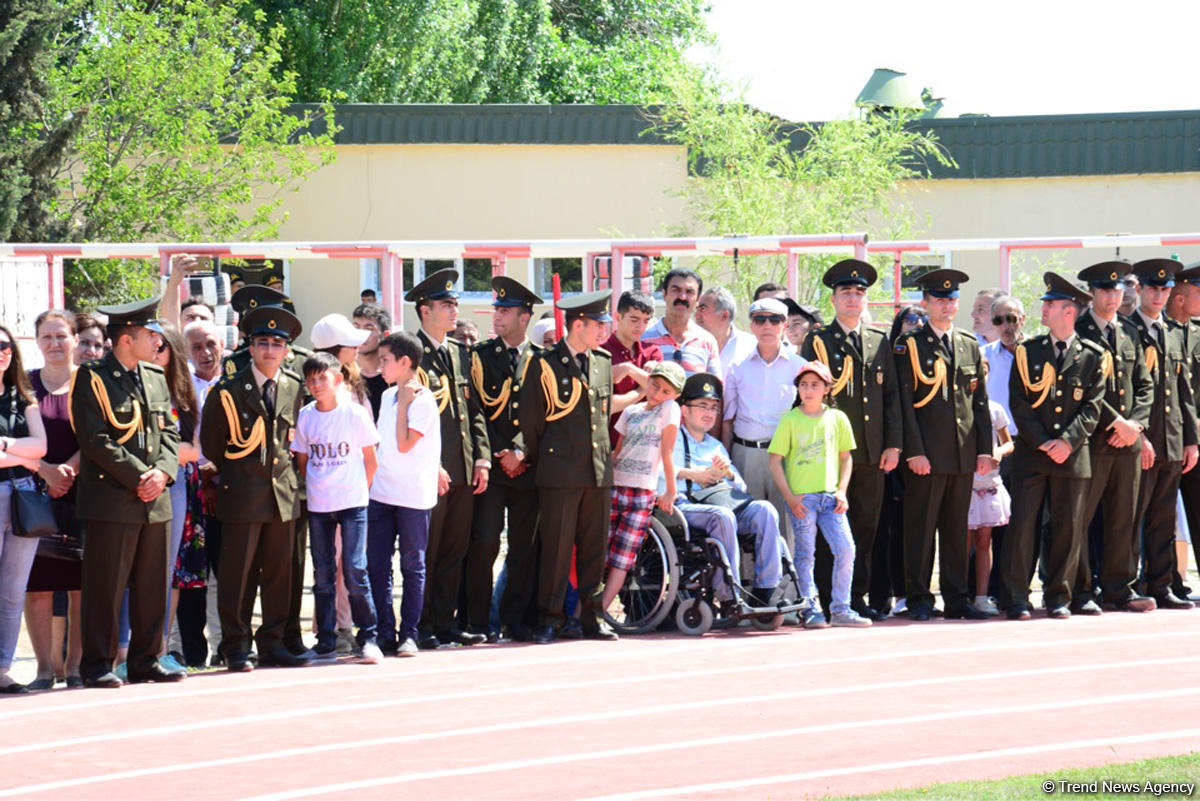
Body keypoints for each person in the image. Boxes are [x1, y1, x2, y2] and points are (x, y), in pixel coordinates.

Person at [70, 297, 181, 687]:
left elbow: (169, 431)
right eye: (151, 335)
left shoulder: (153, 376)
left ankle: (146, 659)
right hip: (114, 498)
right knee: (106, 585)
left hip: (155, 499)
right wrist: (141, 476)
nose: (158, 342)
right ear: (127, 339)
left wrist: (164, 474)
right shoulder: (92, 378)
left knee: (152, 585)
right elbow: (96, 439)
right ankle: (97, 664)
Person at [200, 305, 309, 671]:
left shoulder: (294, 386)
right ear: (250, 347)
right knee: (238, 576)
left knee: (280, 575)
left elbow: (291, 441)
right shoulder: (228, 390)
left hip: (283, 495)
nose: (269, 350)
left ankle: (274, 642)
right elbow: (213, 444)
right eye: (262, 342)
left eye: (277, 344)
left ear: (287, 350)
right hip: (242, 493)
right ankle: (236, 646)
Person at [1000, 274, 1106, 619]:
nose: (1043, 309)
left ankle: (1058, 595)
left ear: (1069, 312)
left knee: (1068, 528)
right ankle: (1016, 596)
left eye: (1050, 304)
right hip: (1034, 454)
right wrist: (1044, 441)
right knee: (1022, 528)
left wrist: (1068, 442)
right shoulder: (1028, 351)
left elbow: (1093, 407)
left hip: (1072, 457)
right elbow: (1018, 401)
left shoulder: (1092, 356)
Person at [801, 259, 902, 621]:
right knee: (829, 527)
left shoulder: (878, 341)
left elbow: (891, 397)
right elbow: (808, 395)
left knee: (865, 528)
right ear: (833, 299)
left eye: (859, 293)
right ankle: (826, 598)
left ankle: (854, 597)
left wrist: (894, 444)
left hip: (872, 451)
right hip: (830, 453)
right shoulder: (819, 340)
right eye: (846, 293)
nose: (853, 299)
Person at [518, 289, 619, 644]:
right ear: (578, 324)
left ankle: (592, 617)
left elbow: (601, 416)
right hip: (560, 471)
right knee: (557, 550)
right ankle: (550, 618)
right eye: (599, 325)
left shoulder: (602, 360)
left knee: (594, 550)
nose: (605, 332)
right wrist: (548, 456)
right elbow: (531, 422)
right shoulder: (543, 363)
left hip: (597, 470)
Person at [894, 269, 993, 621]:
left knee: (956, 531)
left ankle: (956, 598)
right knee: (920, 530)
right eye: (940, 299)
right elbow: (905, 405)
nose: (947, 305)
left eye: (952, 300)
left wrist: (985, 449)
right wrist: (915, 451)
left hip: (962, 454)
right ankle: (919, 598)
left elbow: (978, 402)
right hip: (927, 455)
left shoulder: (967, 343)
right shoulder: (910, 344)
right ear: (925, 303)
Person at [407, 269, 490, 649]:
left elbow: (473, 411)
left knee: (455, 551)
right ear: (425, 310)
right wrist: (433, 464)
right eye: (446, 304)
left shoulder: (459, 353)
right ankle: (420, 624)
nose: (454, 310)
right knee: (428, 550)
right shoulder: (413, 354)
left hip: (463, 468)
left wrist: (482, 457)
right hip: (431, 471)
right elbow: (411, 419)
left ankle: (445, 622)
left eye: (455, 304)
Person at [1072, 261, 1155, 613]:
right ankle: (1080, 589)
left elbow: (1145, 385)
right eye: (1105, 290)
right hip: (1092, 440)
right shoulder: (1078, 329)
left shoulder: (1129, 332)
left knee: (1124, 516)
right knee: (1082, 517)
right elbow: (1080, 387)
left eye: (1117, 289)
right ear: (1091, 293)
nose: (1112, 296)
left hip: (1127, 442)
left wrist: (1134, 425)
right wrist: (1116, 422)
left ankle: (1119, 587)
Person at [465, 276, 544, 642]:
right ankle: (478, 621)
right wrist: (498, 454)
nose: (497, 316)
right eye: (496, 309)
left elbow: (544, 414)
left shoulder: (542, 360)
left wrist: (522, 452)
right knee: (484, 542)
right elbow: (476, 411)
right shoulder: (480, 356)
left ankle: (515, 619)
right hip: (494, 468)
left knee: (524, 548)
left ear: (525, 316)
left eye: (506, 310)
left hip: (527, 469)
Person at [292, 352, 382, 662]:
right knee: (323, 573)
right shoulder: (306, 416)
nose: (316, 385)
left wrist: (358, 490)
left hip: (353, 503)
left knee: (355, 569)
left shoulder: (354, 414)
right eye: (311, 380)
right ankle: (326, 638)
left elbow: (371, 460)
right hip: (319, 505)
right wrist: (319, 485)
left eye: (322, 378)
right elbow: (302, 460)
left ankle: (369, 635)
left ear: (338, 380)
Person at [767, 361, 870, 628]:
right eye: (803, 385)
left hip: (831, 498)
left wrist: (842, 491)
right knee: (805, 554)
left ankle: (841, 608)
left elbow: (846, 458)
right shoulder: (791, 420)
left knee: (846, 549)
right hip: (803, 499)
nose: (809, 390)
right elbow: (775, 460)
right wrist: (790, 497)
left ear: (826, 388)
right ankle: (810, 608)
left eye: (815, 385)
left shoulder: (837, 418)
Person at [667, 373, 782, 606]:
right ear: (685, 410)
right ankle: (729, 595)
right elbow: (660, 473)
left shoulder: (715, 445)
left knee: (765, 510)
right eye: (702, 406)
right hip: (685, 507)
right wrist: (695, 475)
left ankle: (765, 589)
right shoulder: (673, 439)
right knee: (724, 517)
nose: (709, 412)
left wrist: (727, 473)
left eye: (714, 407)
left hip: (721, 504)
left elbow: (741, 487)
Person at [1126, 258, 1199, 609]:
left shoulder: (1172, 331)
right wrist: (1139, 437)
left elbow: (1182, 389)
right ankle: (1128, 585)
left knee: (1163, 518)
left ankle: (1161, 583)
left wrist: (1190, 439)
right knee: (1132, 516)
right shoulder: (1127, 331)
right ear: (1140, 290)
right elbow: (1125, 392)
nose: (1159, 294)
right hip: (1142, 440)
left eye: (1165, 288)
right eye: (1153, 288)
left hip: (1171, 439)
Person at [367, 331, 439, 657]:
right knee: (378, 565)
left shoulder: (423, 400)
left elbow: (404, 443)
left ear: (405, 362)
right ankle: (384, 631)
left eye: (385, 360)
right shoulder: (386, 396)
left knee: (413, 565)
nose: (380, 366)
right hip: (382, 491)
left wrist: (405, 405)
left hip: (413, 496)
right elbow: (383, 444)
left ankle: (409, 632)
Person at [23, 311, 85, 690]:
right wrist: (45, 471)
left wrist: (68, 471)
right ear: (37, 342)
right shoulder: (26, 386)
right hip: (36, 495)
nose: (54, 344)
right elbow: (16, 435)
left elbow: (98, 438)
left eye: (61, 336)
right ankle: (45, 670)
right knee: (38, 586)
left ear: (75, 339)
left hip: (84, 494)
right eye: (46, 337)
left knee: (81, 586)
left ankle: (76, 668)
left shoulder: (92, 383)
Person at [599, 361, 683, 612]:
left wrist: (670, 490)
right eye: (654, 386)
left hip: (642, 492)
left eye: (666, 391)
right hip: (616, 486)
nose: (657, 394)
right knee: (599, 551)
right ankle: (583, 608)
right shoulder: (631, 412)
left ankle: (598, 611)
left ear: (675, 396)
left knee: (622, 558)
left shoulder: (670, 409)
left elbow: (667, 452)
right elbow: (617, 451)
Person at [722, 298, 807, 543]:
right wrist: (727, 459)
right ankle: (749, 580)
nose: (767, 326)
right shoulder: (738, 367)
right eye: (760, 320)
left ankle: (785, 581)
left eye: (774, 320)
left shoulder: (799, 367)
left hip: (786, 455)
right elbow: (728, 418)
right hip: (745, 453)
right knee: (747, 523)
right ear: (752, 325)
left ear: (784, 325)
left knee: (787, 524)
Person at [149, 322, 201, 670]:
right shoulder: (127, 383)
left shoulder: (182, 391)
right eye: (150, 343)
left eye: (162, 345)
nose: (155, 350)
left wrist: (157, 456)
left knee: (167, 570)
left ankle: (159, 649)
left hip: (175, 484)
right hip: (132, 482)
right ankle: (130, 649)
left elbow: (193, 450)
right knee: (136, 571)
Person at [0, 324, 48, 693]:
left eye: (5, 346)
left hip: (22, 497)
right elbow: (30, 450)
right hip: (14, 485)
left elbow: (41, 447)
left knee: (14, 591)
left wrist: (5, 446)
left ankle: (2, 668)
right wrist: (23, 455)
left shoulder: (23, 398)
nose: (1, 352)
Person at [968, 357, 1014, 616]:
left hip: (988, 483)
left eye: (984, 373)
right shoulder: (959, 407)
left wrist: (998, 452)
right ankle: (960, 592)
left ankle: (982, 596)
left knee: (984, 540)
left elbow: (1009, 442)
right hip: (965, 483)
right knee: (961, 541)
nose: (980, 379)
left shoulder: (995, 408)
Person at [1168, 263, 1200, 598]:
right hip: (1168, 438)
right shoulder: (1161, 333)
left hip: (1197, 440)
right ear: (1180, 297)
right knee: (1161, 516)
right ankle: (1167, 582)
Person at [603, 290, 663, 443]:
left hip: (647, 446)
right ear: (617, 317)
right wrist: (645, 388)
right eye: (634, 319)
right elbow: (606, 406)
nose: (640, 326)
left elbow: (663, 394)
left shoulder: (652, 352)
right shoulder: (600, 353)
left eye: (645, 321)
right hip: (611, 445)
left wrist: (629, 370)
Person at [642, 268, 721, 376]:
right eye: (676, 290)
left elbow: (716, 387)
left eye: (689, 292)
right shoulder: (644, 339)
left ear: (698, 299)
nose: (682, 297)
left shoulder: (707, 342)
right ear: (664, 294)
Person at [980, 297, 1025, 436]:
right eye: (998, 321)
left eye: (1011, 318)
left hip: (1033, 440)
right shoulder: (983, 355)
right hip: (999, 440)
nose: (1005, 326)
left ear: (1022, 319)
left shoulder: (1038, 352)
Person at [695, 287, 754, 380]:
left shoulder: (750, 347)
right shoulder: (691, 345)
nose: (696, 315)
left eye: (702, 309)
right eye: (697, 309)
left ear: (724, 316)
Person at [352, 303, 392, 420]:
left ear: (385, 335)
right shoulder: (344, 375)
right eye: (356, 327)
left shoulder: (394, 378)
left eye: (369, 328)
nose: (360, 333)